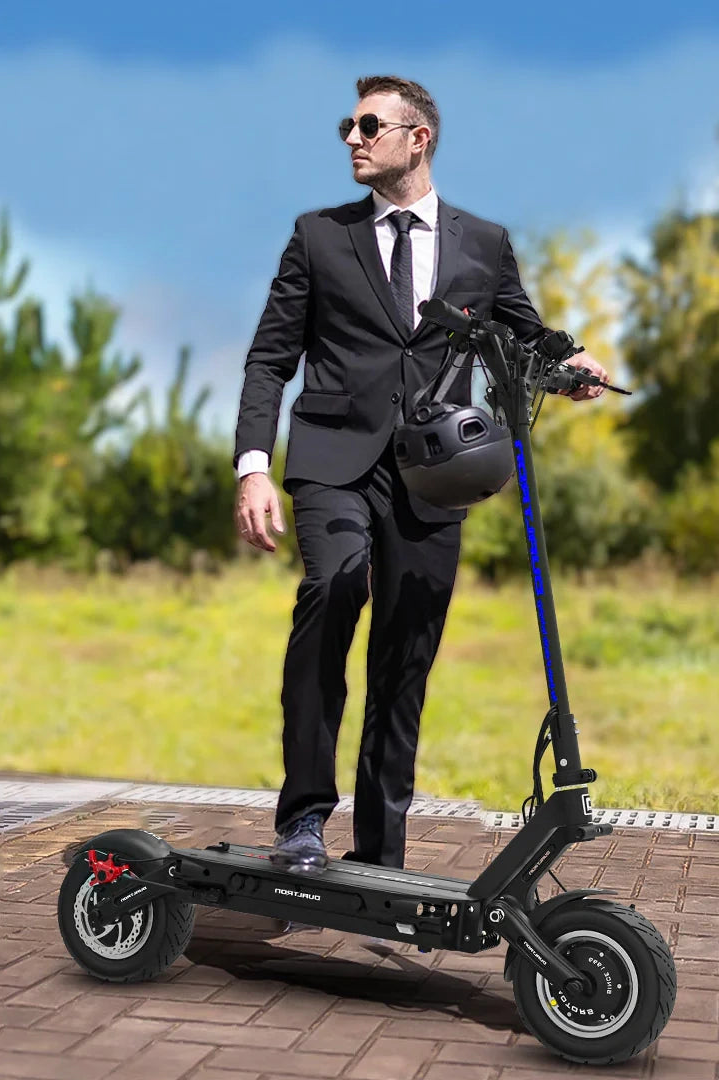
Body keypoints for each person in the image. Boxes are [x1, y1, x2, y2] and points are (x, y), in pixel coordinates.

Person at [232, 75, 607, 875]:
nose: (353, 139)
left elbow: (524, 335)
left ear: (418, 137)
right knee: (334, 586)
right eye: (348, 125)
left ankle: (380, 853)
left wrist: (571, 366)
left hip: (434, 475)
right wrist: (253, 466)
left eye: (369, 125)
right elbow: (270, 359)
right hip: (333, 461)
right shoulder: (318, 237)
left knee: (406, 654)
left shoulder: (483, 244)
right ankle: (303, 820)